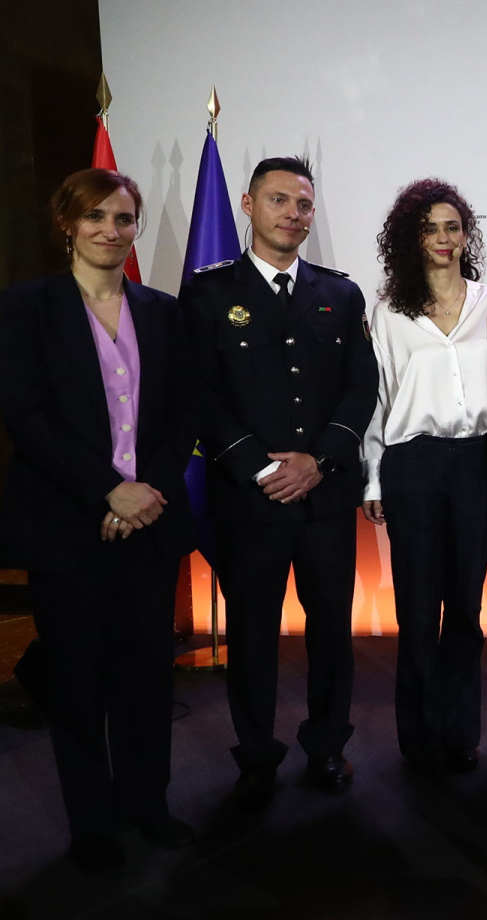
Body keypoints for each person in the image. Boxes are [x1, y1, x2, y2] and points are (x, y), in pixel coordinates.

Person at [0, 168, 196, 868]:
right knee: (78, 681)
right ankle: (92, 825)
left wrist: (144, 491)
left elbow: (181, 416)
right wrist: (106, 492)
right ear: (67, 224)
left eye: (123, 218)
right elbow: (26, 416)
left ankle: (149, 804)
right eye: (95, 218)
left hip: (151, 519)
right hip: (66, 525)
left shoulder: (164, 311)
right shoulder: (25, 308)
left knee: (148, 675)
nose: (110, 231)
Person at [180, 156, 377, 806]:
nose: (292, 213)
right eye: (279, 200)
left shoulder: (340, 293)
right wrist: (259, 465)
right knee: (253, 633)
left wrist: (318, 462)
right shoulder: (210, 292)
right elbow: (199, 392)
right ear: (247, 204)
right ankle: (257, 751)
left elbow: (360, 387)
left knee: (330, 631)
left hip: (323, 495)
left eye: (302, 203)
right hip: (249, 497)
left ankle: (327, 745)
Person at [362, 179, 487, 775]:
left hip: (478, 460)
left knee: (466, 608)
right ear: (410, 238)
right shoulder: (388, 311)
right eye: (430, 228)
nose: (443, 238)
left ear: (466, 234)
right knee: (418, 610)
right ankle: (418, 737)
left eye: (452, 226)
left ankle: (459, 732)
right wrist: (372, 480)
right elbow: (377, 399)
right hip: (412, 465)